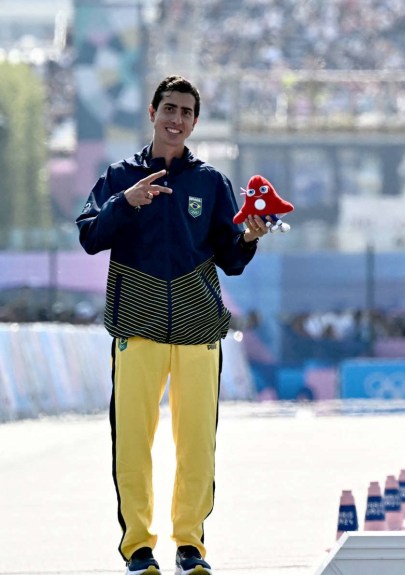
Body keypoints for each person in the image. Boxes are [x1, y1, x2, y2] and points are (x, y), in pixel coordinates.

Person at [77, 75, 271, 575]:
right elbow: (89, 237)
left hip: (198, 329)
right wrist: (127, 202)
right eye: (169, 108)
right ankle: (139, 547)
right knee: (133, 441)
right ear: (151, 111)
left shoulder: (209, 182)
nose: (176, 119)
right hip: (135, 326)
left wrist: (249, 236)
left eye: (185, 112)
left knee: (196, 443)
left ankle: (190, 545)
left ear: (195, 121)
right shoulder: (119, 176)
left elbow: (231, 259)